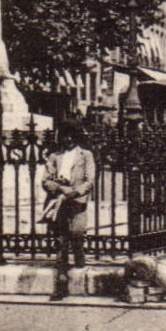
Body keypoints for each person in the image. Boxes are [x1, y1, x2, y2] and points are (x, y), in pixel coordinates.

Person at [41, 120, 96, 301]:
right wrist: (59, 188)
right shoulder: (54, 156)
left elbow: (89, 180)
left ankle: (79, 257)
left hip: (77, 202)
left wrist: (75, 192)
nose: (69, 139)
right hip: (59, 202)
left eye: (72, 136)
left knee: (77, 232)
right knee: (62, 241)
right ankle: (61, 282)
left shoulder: (85, 155)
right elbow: (46, 180)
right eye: (66, 136)